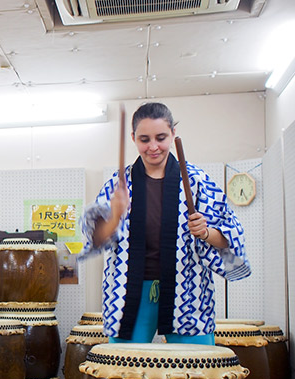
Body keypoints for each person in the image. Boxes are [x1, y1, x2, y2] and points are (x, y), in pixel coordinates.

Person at [80, 102, 250, 344]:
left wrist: (206, 232)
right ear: (133, 138)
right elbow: (95, 238)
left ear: (173, 134)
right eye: (144, 139)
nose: (153, 147)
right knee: (126, 371)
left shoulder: (197, 181)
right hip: (129, 294)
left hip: (188, 290)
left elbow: (230, 234)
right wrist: (115, 216)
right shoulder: (118, 186)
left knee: (195, 372)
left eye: (161, 137)